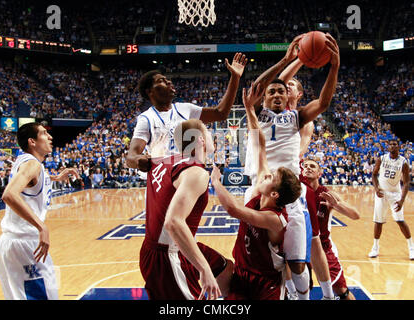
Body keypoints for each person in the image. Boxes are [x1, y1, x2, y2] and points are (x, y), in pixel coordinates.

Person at [243, 33, 340, 300]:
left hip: (291, 191)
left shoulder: (296, 117)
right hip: (259, 191)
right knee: (261, 261)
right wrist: (290, 59)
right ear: (264, 97)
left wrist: (334, 67)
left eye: (281, 91)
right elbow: (261, 84)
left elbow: (324, 103)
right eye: (271, 91)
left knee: (297, 261)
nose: (276, 93)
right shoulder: (256, 111)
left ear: (288, 96)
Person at [210, 83, 302, 300]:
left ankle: (296, 295)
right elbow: (259, 142)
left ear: (274, 194)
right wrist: (250, 109)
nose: (266, 174)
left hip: (266, 280)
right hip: (242, 273)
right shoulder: (262, 188)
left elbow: (232, 209)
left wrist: (215, 182)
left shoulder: (275, 219)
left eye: (271, 177)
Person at [139, 119, 233, 300]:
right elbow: (173, 222)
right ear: (200, 140)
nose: (212, 137)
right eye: (208, 132)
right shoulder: (196, 173)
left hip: (164, 247)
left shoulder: (162, 160)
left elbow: (149, 157)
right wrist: (203, 268)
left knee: (226, 270)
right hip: (167, 256)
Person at [0, 122, 79, 300]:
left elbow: (30, 180)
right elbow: (9, 194)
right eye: (43, 134)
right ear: (32, 142)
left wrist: (55, 177)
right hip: (24, 243)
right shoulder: (32, 164)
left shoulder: (25, 160)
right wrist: (41, 227)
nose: (50, 137)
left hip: (12, 243)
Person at [126, 53, 247, 172]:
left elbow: (220, 113)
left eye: (167, 79)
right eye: (161, 81)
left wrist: (235, 77)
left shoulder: (185, 109)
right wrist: (138, 160)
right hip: (163, 179)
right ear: (150, 91)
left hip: (187, 175)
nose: (168, 82)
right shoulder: (146, 118)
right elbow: (131, 156)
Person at [301, 158, 360, 299]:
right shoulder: (297, 193)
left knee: (342, 291)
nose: (308, 168)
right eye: (305, 166)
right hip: (300, 249)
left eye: (312, 166)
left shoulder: (327, 194)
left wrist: (336, 204)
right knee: (292, 289)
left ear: (319, 173)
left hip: (323, 249)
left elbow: (355, 215)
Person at [369, 139, 413, 260]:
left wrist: (402, 200)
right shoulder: (381, 159)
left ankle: (411, 247)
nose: (393, 146)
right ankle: (375, 247)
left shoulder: (403, 162)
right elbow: (374, 174)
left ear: (399, 147)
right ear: (388, 147)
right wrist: (376, 188)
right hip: (382, 193)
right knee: (378, 221)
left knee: (400, 220)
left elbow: (406, 182)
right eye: (390, 144)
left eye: (395, 144)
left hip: (395, 194)